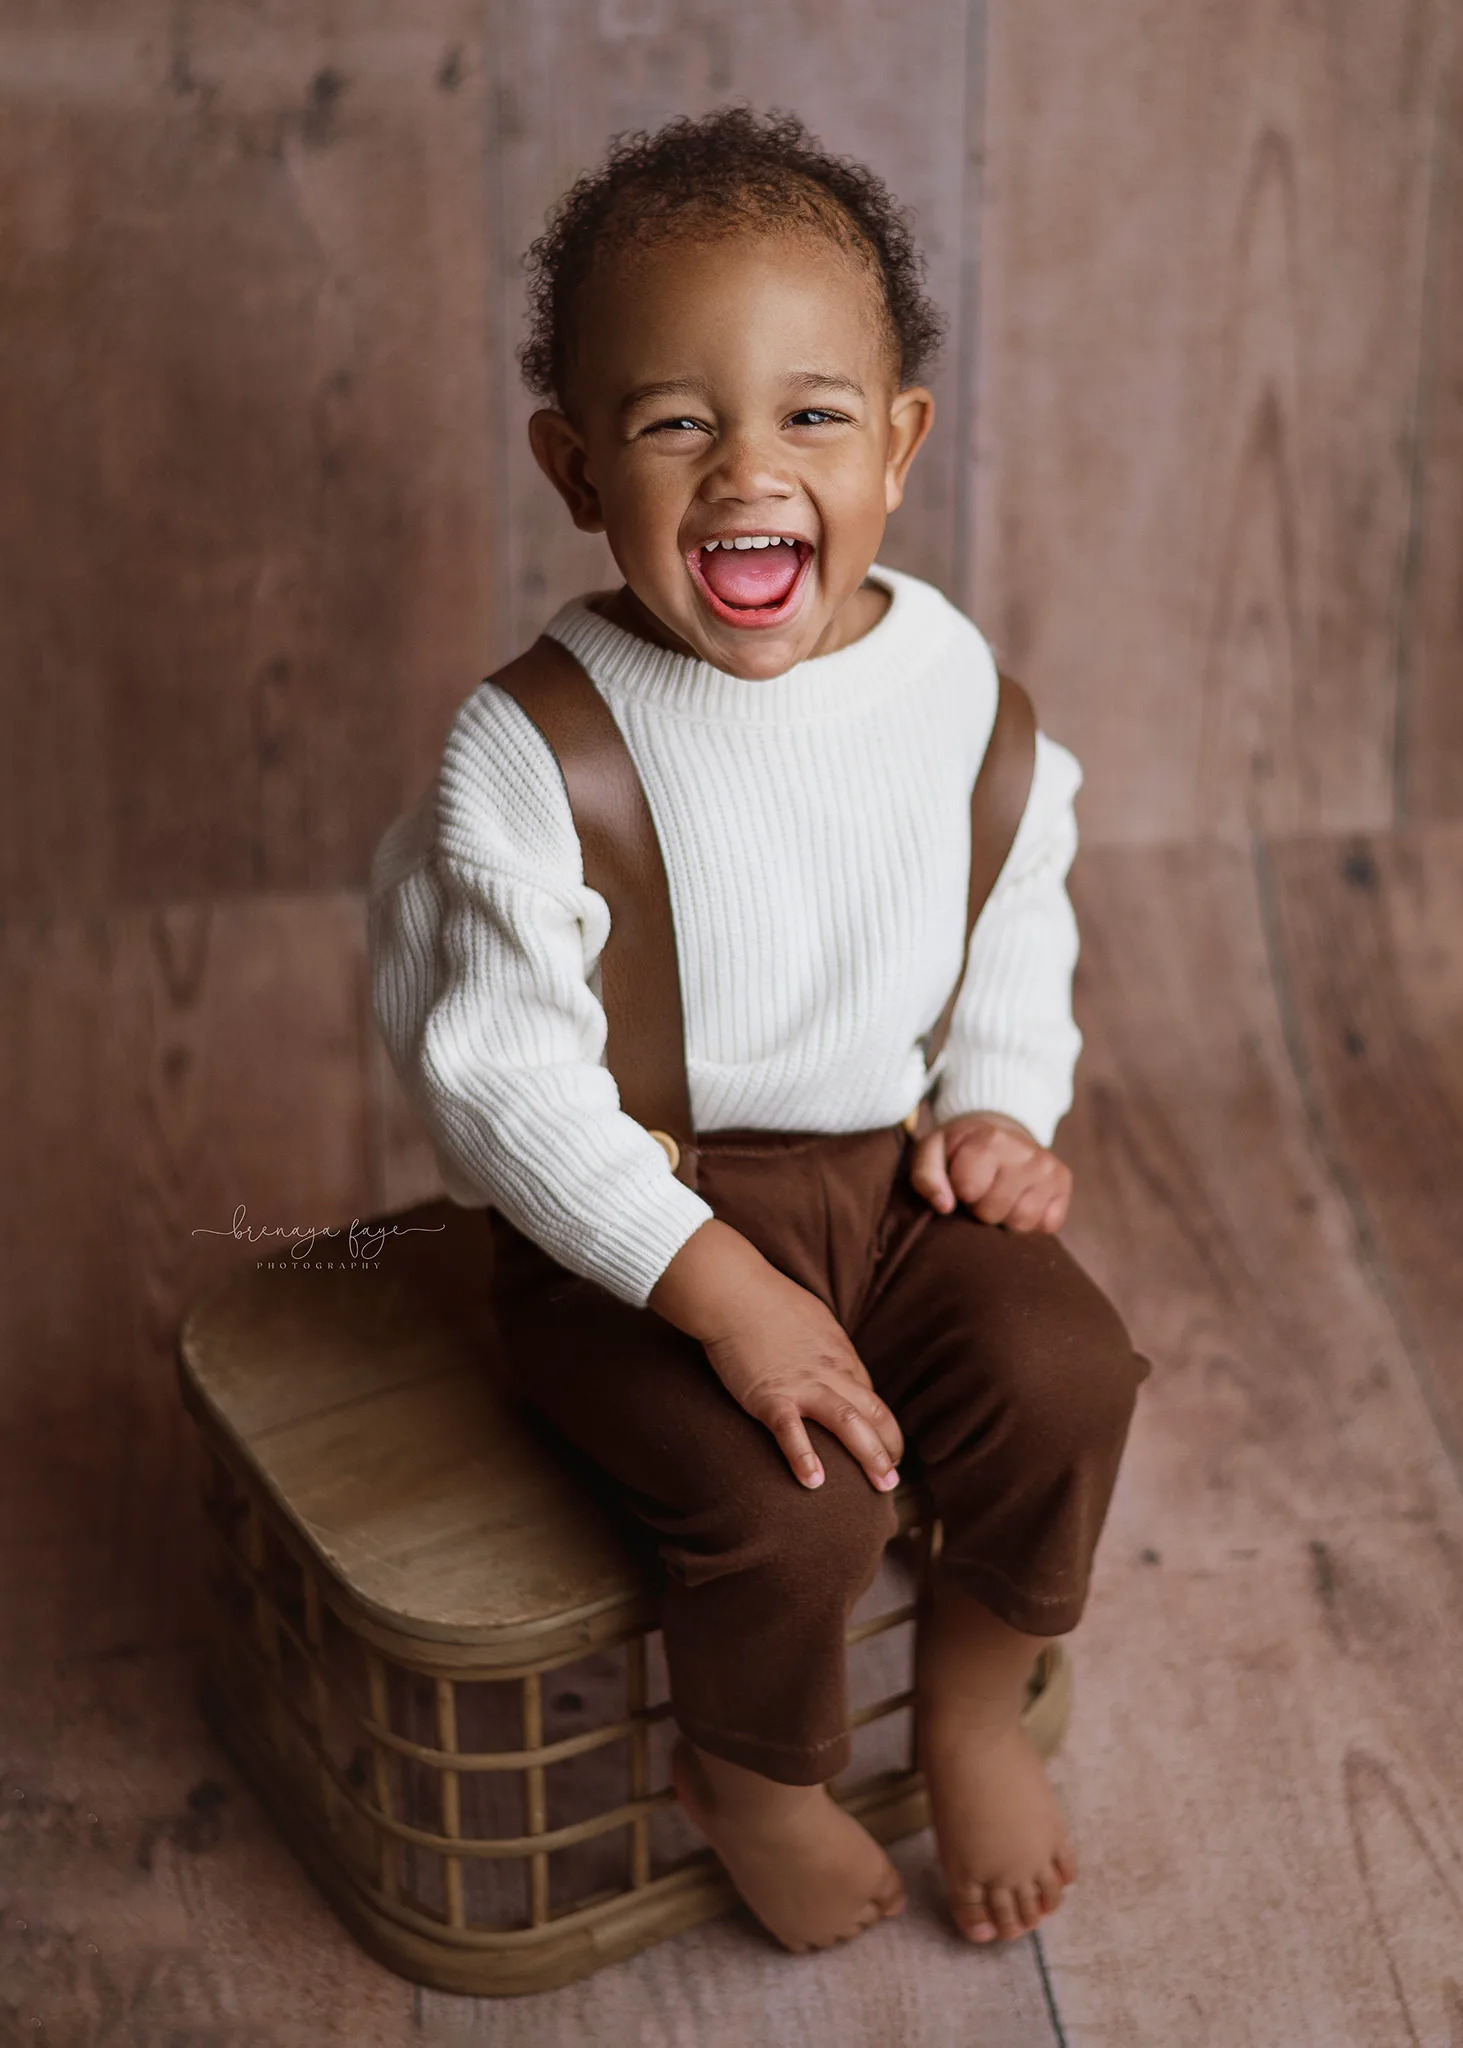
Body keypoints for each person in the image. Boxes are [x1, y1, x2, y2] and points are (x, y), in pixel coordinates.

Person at [368, 106, 1148, 1956]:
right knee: (793, 1513)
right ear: (574, 467)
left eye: (809, 413)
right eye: (670, 421)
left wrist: (993, 1108)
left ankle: (968, 1695)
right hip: (631, 1238)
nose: (746, 468)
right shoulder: (537, 750)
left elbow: (1010, 900)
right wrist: (712, 1287)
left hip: (885, 1188)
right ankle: (753, 1772)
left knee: (1066, 1377)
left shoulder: (951, 684)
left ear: (897, 443)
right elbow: (497, 1077)